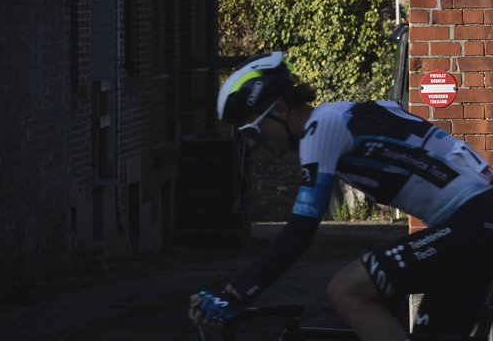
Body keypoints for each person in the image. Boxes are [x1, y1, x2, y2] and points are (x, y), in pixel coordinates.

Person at [190, 52, 493, 339]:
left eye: (251, 129)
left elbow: (300, 232)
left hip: (475, 220)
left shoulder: (322, 127)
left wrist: (233, 296)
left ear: (280, 110)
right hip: (473, 224)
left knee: (345, 290)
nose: (253, 144)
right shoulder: (347, 114)